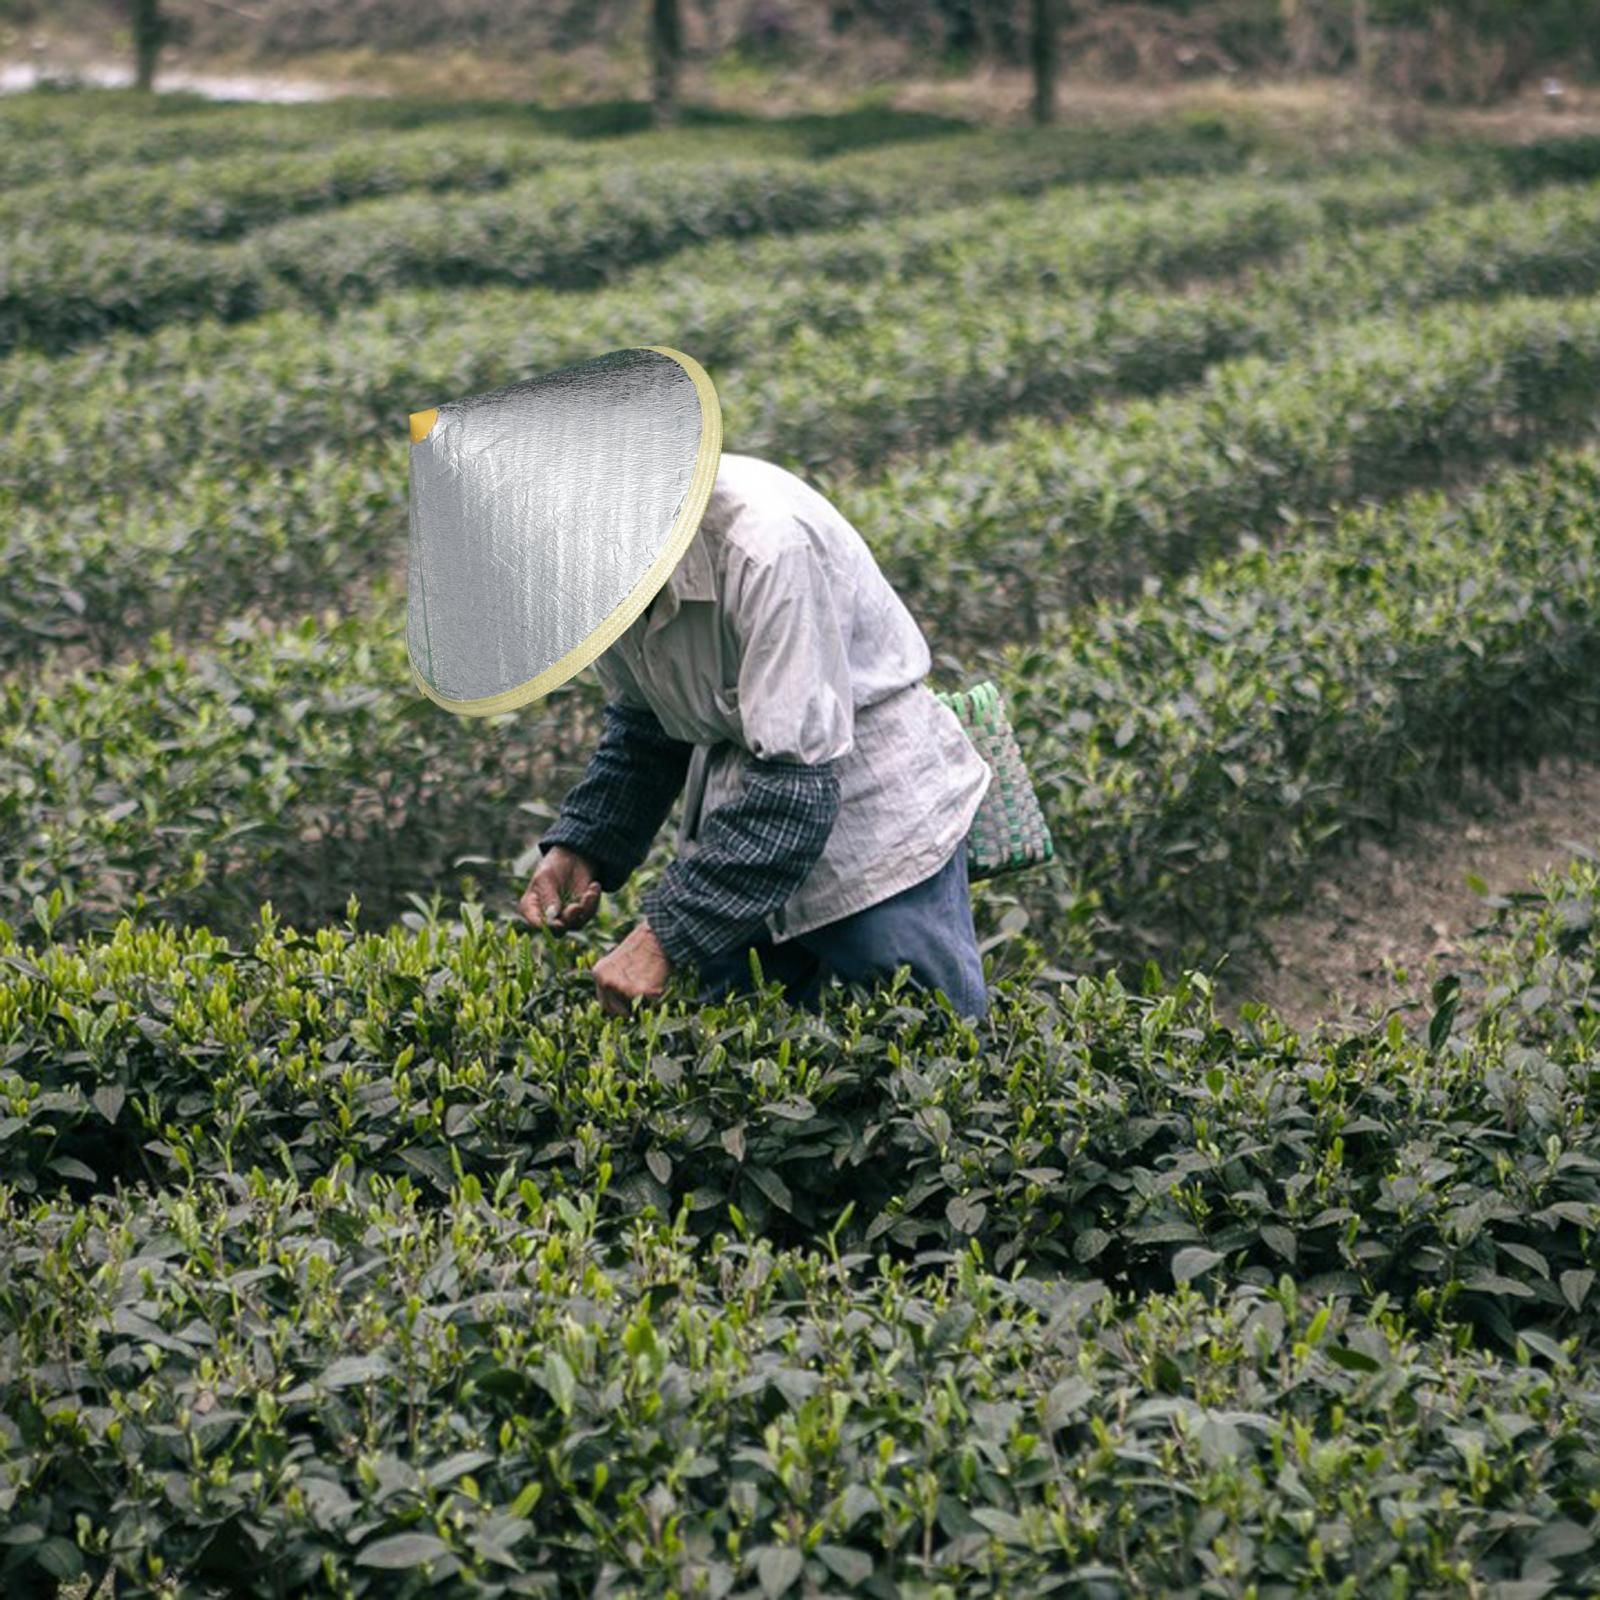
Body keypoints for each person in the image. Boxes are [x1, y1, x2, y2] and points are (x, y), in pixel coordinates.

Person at [517, 452, 993, 1020]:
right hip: (740, 818)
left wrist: (662, 937)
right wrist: (583, 845)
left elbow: (796, 788)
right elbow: (647, 727)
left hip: (869, 824)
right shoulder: (600, 587)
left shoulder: (766, 548)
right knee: (738, 1045)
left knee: (928, 1035)